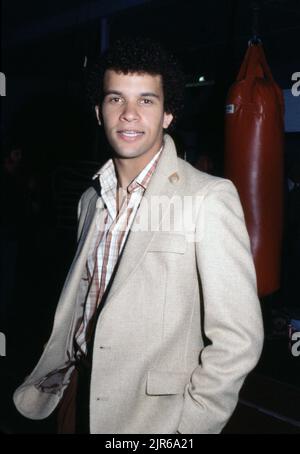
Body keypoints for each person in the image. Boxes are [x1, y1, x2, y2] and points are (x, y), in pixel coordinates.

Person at [13, 37, 264, 434]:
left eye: (146, 100)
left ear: (167, 115)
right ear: (99, 111)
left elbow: (239, 340)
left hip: (152, 420)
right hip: (76, 395)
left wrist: (188, 430)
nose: (129, 114)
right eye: (116, 100)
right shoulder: (90, 200)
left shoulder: (208, 198)